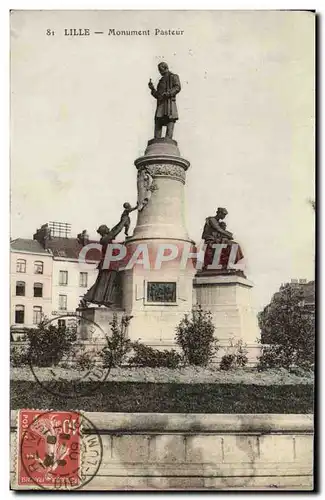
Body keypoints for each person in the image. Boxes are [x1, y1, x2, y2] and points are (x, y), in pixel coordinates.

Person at [148, 62, 181, 139]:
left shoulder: (173, 76)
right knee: (158, 121)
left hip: (169, 104)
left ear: (165, 68)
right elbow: (157, 95)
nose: (159, 71)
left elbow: (177, 87)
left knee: (170, 120)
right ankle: (156, 140)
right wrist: (152, 88)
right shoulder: (161, 81)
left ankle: (168, 140)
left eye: (160, 69)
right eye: (159, 70)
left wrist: (168, 93)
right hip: (161, 105)